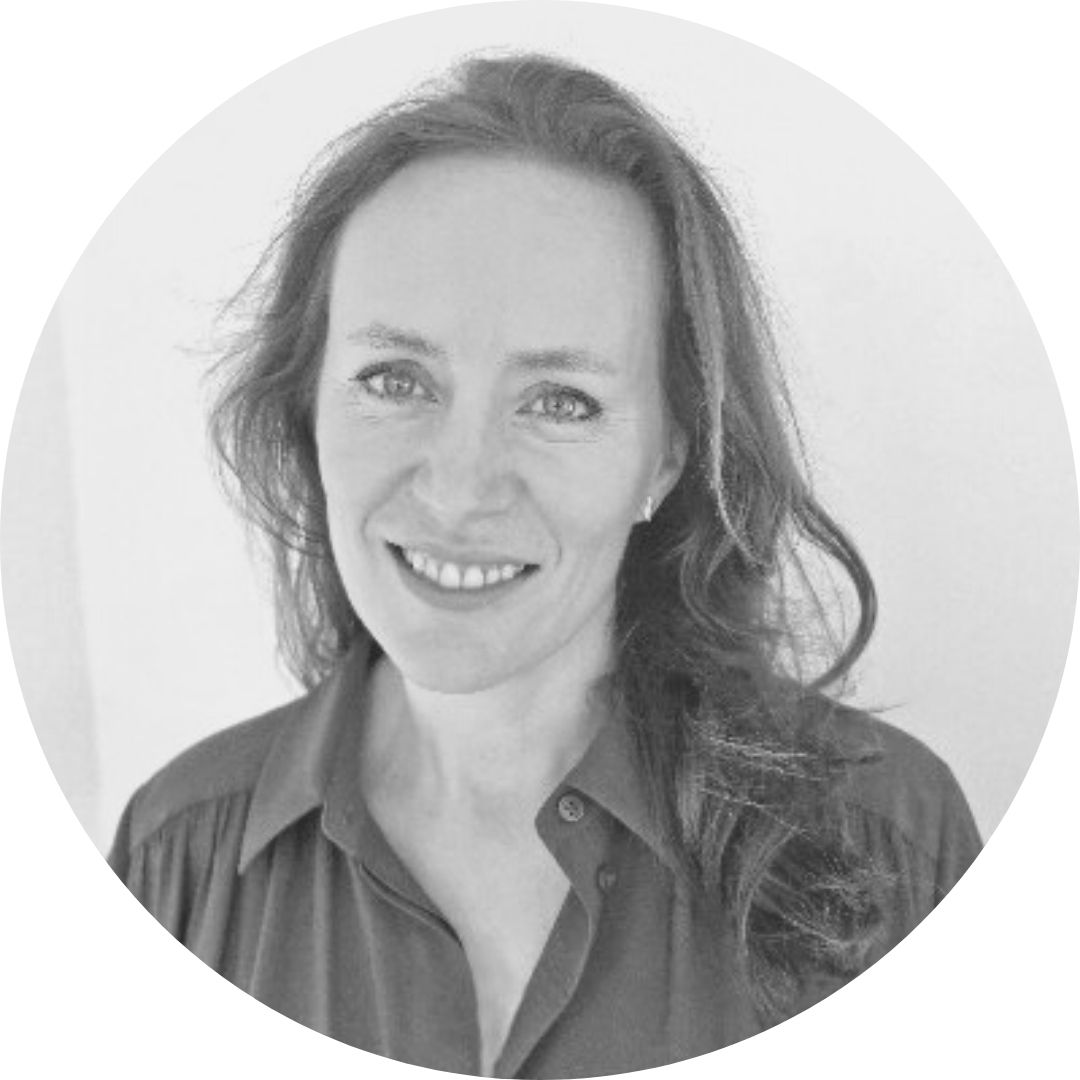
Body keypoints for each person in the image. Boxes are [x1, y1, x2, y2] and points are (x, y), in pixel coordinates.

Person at [108, 53, 981, 1077]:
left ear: (668, 457)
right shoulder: (174, 863)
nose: (460, 489)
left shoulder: (890, 848)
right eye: (394, 379)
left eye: (561, 401)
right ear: (307, 412)